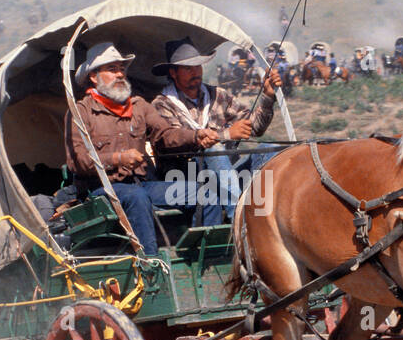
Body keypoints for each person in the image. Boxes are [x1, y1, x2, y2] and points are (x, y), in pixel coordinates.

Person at [63, 42, 216, 255]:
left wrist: (196, 135)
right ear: (93, 76)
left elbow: (165, 135)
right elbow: (77, 161)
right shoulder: (80, 112)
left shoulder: (139, 106)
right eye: (112, 69)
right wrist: (119, 158)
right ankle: (151, 264)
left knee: (206, 193)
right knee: (136, 197)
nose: (119, 74)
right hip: (102, 191)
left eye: (121, 69)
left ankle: (205, 256)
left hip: (144, 186)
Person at [153, 38, 281, 224]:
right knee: (214, 150)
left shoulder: (217, 96)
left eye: (198, 66)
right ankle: (239, 220)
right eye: (188, 68)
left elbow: (255, 127)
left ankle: (265, 215)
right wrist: (227, 135)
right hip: (186, 178)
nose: (195, 72)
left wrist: (268, 96)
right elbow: (172, 142)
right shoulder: (162, 105)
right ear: (173, 73)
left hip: (227, 174)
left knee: (270, 150)